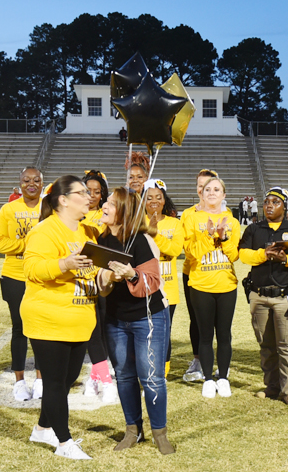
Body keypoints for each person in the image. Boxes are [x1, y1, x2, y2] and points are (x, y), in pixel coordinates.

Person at [21, 175, 97, 460]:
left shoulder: (86, 233)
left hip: (79, 319)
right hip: (49, 318)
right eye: (82, 192)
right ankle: (64, 443)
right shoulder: (44, 230)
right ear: (63, 200)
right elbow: (32, 269)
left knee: (66, 381)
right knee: (54, 383)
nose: (89, 196)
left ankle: (42, 428)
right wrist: (64, 263)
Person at [97, 187, 174, 455]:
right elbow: (100, 285)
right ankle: (133, 430)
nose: (104, 205)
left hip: (148, 318)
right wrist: (108, 278)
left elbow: (153, 282)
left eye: (110, 202)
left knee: (151, 377)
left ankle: (159, 433)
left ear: (124, 211)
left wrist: (130, 275)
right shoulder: (102, 239)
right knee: (124, 376)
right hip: (116, 319)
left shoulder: (141, 241)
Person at [239, 187, 288, 407]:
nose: (269, 205)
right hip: (259, 296)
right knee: (266, 345)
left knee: (287, 346)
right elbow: (243, 254)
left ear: (285, 207)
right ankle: (272, 387)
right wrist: (264, 254)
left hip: (285, 297)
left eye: (275, 202)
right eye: (267, 201)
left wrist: (284, 259)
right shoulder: (254, 229)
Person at [182, 175, 240, 398]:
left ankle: (223, 377)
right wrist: (207, 235)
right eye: (208, 189)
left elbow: (234, 256)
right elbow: (191, 254)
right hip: (200, 284)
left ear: (224, 195)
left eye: (217, 189)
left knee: (224, 334)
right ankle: (207, 378)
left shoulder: (232, 221)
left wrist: (223, 237)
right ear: (201, 194)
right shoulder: (191, 218)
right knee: (205, 335)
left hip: (226, 285)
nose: (212, 192)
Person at [0, 167, 44, 401]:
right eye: (26, 180)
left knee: (42, 330)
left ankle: (41, 379)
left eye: (36, 180)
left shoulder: (51, 208)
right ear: (20, 184)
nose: (31, 184)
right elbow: (1, 244)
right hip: (15, 275)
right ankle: (19, 381)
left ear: (43, 183)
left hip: (42, 276)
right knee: (19, 329)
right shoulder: (8, 209)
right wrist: (28, 242)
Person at [79, 169, 115, 401]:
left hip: (101, 279)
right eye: (87, 191)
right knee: (91, 329)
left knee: (103, 328)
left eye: (97, 191)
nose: (92, 195)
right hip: (81, 281)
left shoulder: (104, 215)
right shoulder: (76, 215)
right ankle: (100, 374)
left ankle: (99, 373)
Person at [181, 169, 220, 382]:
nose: (203, 189)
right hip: (194, 272)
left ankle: (219, 361)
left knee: (218, 321)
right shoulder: (188, 214)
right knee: (196, 319)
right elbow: (187, 247)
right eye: (200, 186)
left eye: (209, 186)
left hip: (217, 273)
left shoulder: (226, 214)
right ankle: (198, 360)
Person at [144, 179, 184, 378]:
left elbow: (175, 249)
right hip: (142, 287)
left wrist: (154, 235)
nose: (154, 201)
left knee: (163, 334)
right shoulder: (136, 222)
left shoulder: (174, 224)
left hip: (167, 290)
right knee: (142, 332)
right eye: (149, 197)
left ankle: (162, 372)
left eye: (158, 197)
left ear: (164, 200)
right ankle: (143, 369)